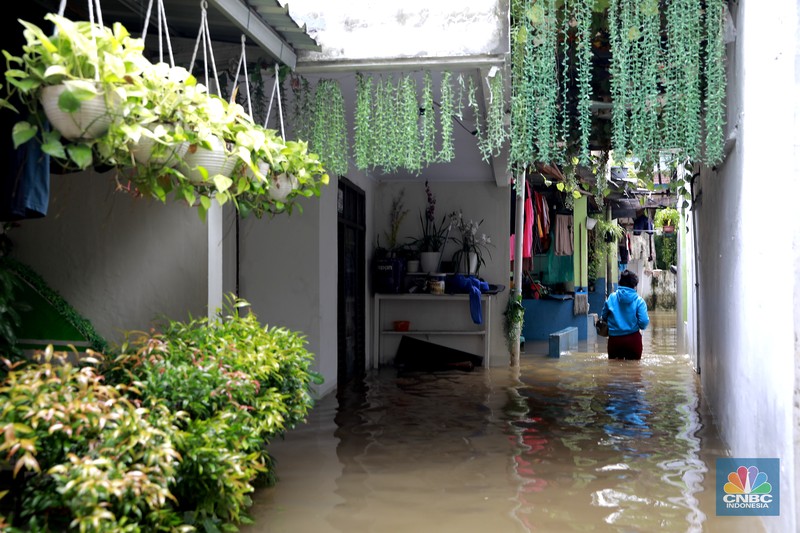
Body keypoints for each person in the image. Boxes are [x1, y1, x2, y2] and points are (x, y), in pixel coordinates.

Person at [600, 270, 650, 360]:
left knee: (613, 370)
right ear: (634, 285)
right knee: (634, 370)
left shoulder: (611, 297)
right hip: (633, 340)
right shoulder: (639, 301)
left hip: (614, 341)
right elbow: (643, 322)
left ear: (620, 282)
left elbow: (603, 317)